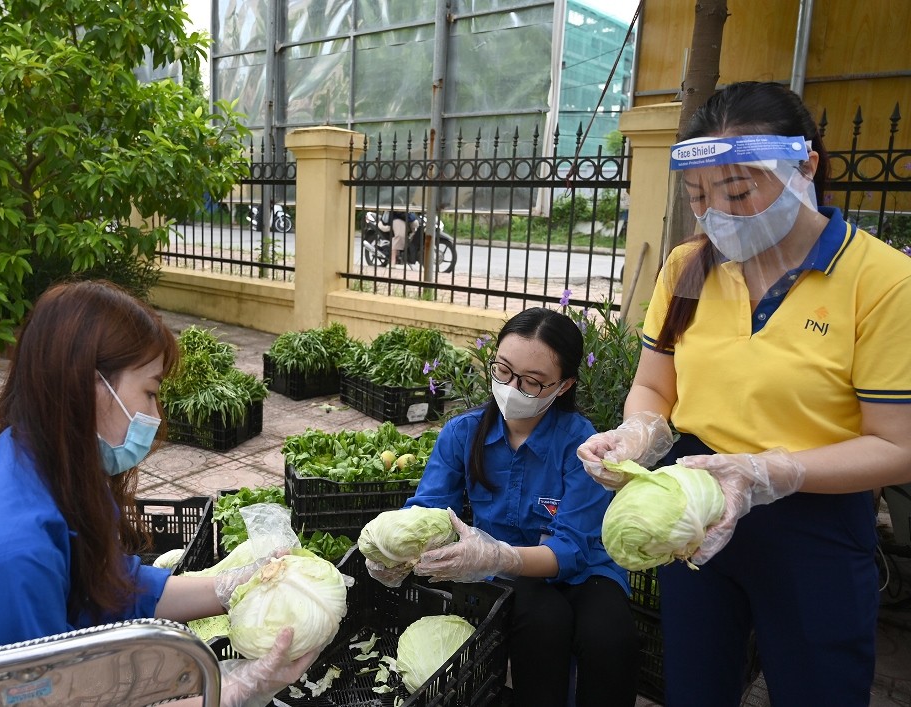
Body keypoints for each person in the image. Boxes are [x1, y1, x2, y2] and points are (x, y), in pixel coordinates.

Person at [577, 81, 911, 707]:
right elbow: (654, 383)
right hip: (697, 504)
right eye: (700, 197)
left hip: (815, 515)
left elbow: (898, 445)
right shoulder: (688, 267)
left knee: (820, 690)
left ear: (805, 165)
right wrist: (640, 432)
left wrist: (766, 471)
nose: (717, 214)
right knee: (696, 687)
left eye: (738, 191)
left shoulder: (884, 283)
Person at [0, 280, 318, 706]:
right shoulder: (10, 552)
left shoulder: (49, 468)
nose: (155, 416)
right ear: (91, 384)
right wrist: (232, 692)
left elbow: (112, 587)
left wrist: (230, 586)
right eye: (149, 392)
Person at [367, 307, 641, 707]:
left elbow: (572, 551)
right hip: (502, 571)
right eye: (503, 371)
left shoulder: (583, 445)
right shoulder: (464, 433)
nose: (513, 387)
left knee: (610, 638)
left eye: (533, 382)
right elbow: (429, 510)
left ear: (563, 386)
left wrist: (497, 554)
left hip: (584, 571)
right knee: (543, 623)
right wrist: (395, 552)